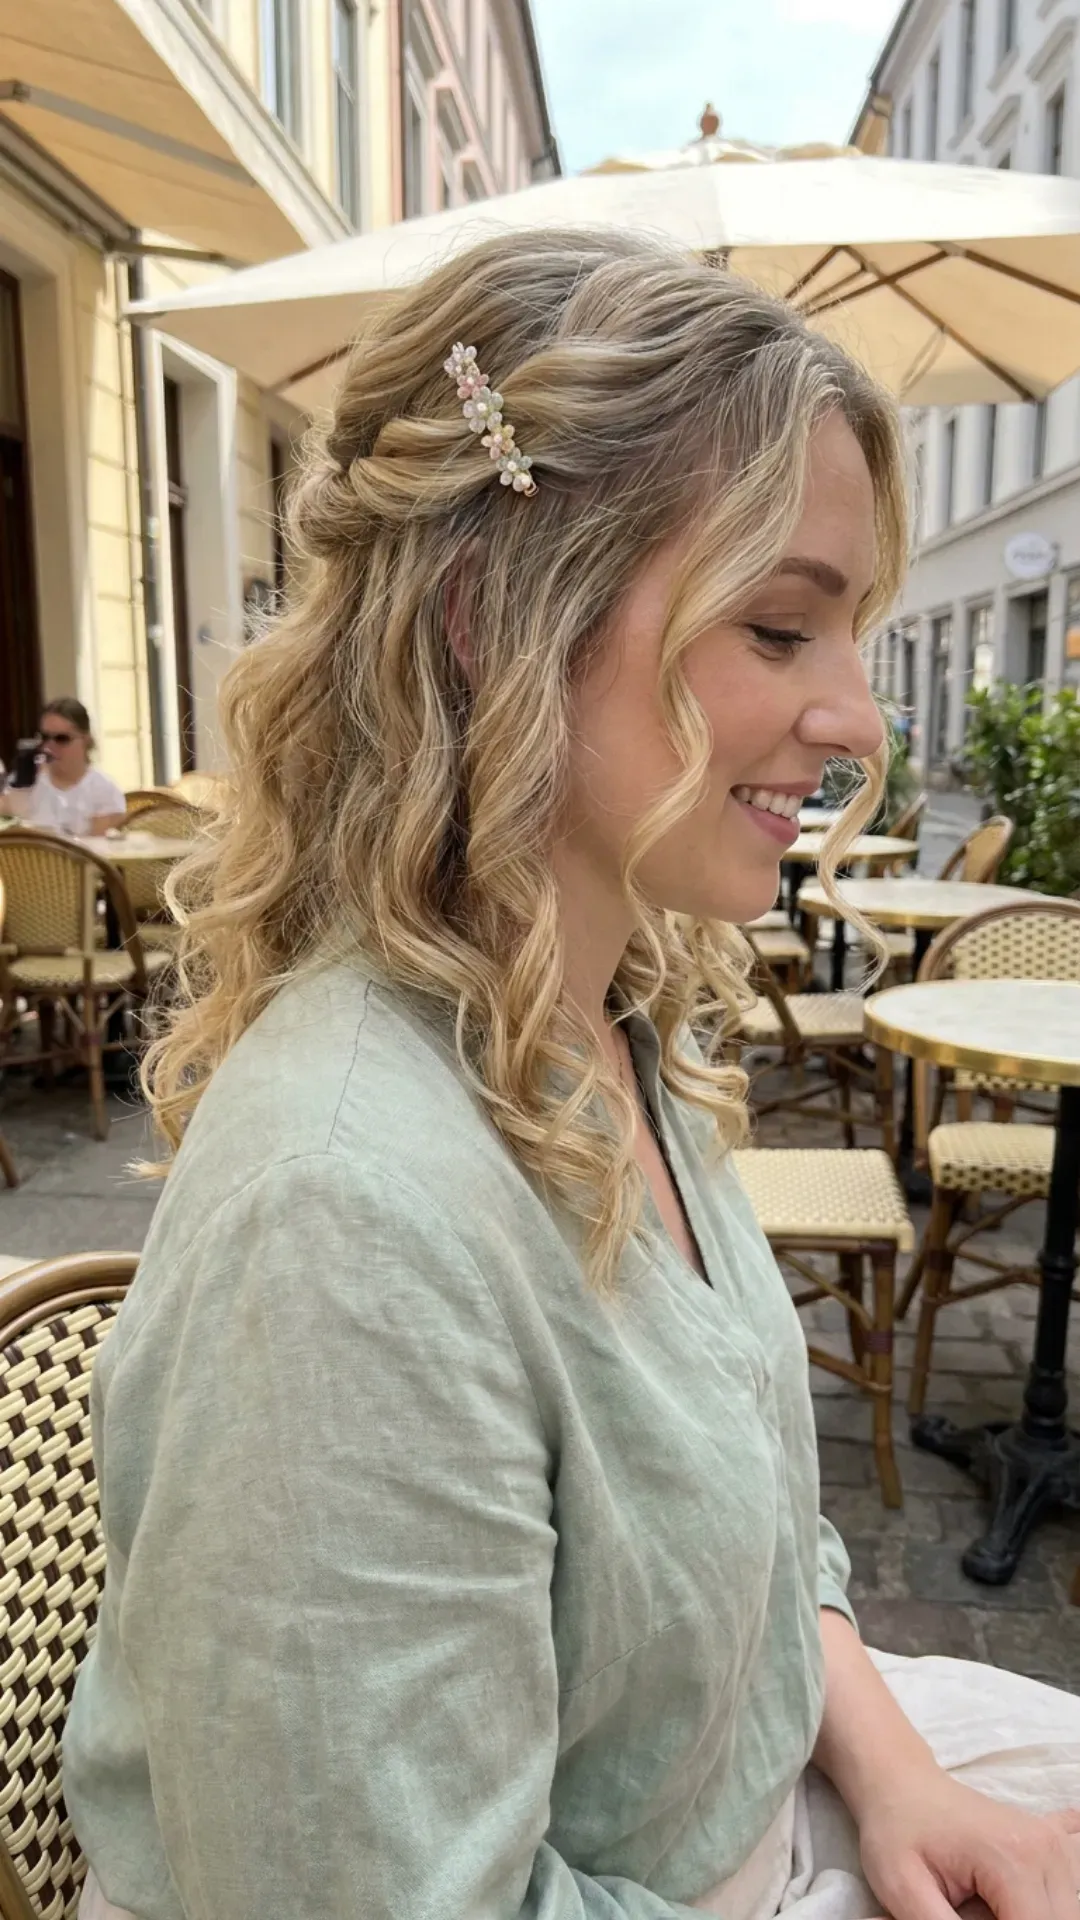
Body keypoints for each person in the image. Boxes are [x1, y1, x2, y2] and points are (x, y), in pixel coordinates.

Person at [64, 232, 1080, 1920]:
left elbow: (749, 1526)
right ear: (489, 619)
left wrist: (901, 1785)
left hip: (737, 1818)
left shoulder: (606, 1027)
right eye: (779, 628)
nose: (861, 718)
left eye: (854, 632)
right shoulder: (350, 1220)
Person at [0, 697, 125, 836]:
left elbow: (101, 851)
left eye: (62, 739)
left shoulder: (103, 789)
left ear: (85, 740)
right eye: (45, 737)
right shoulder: (27, 780)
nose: (49, 747)